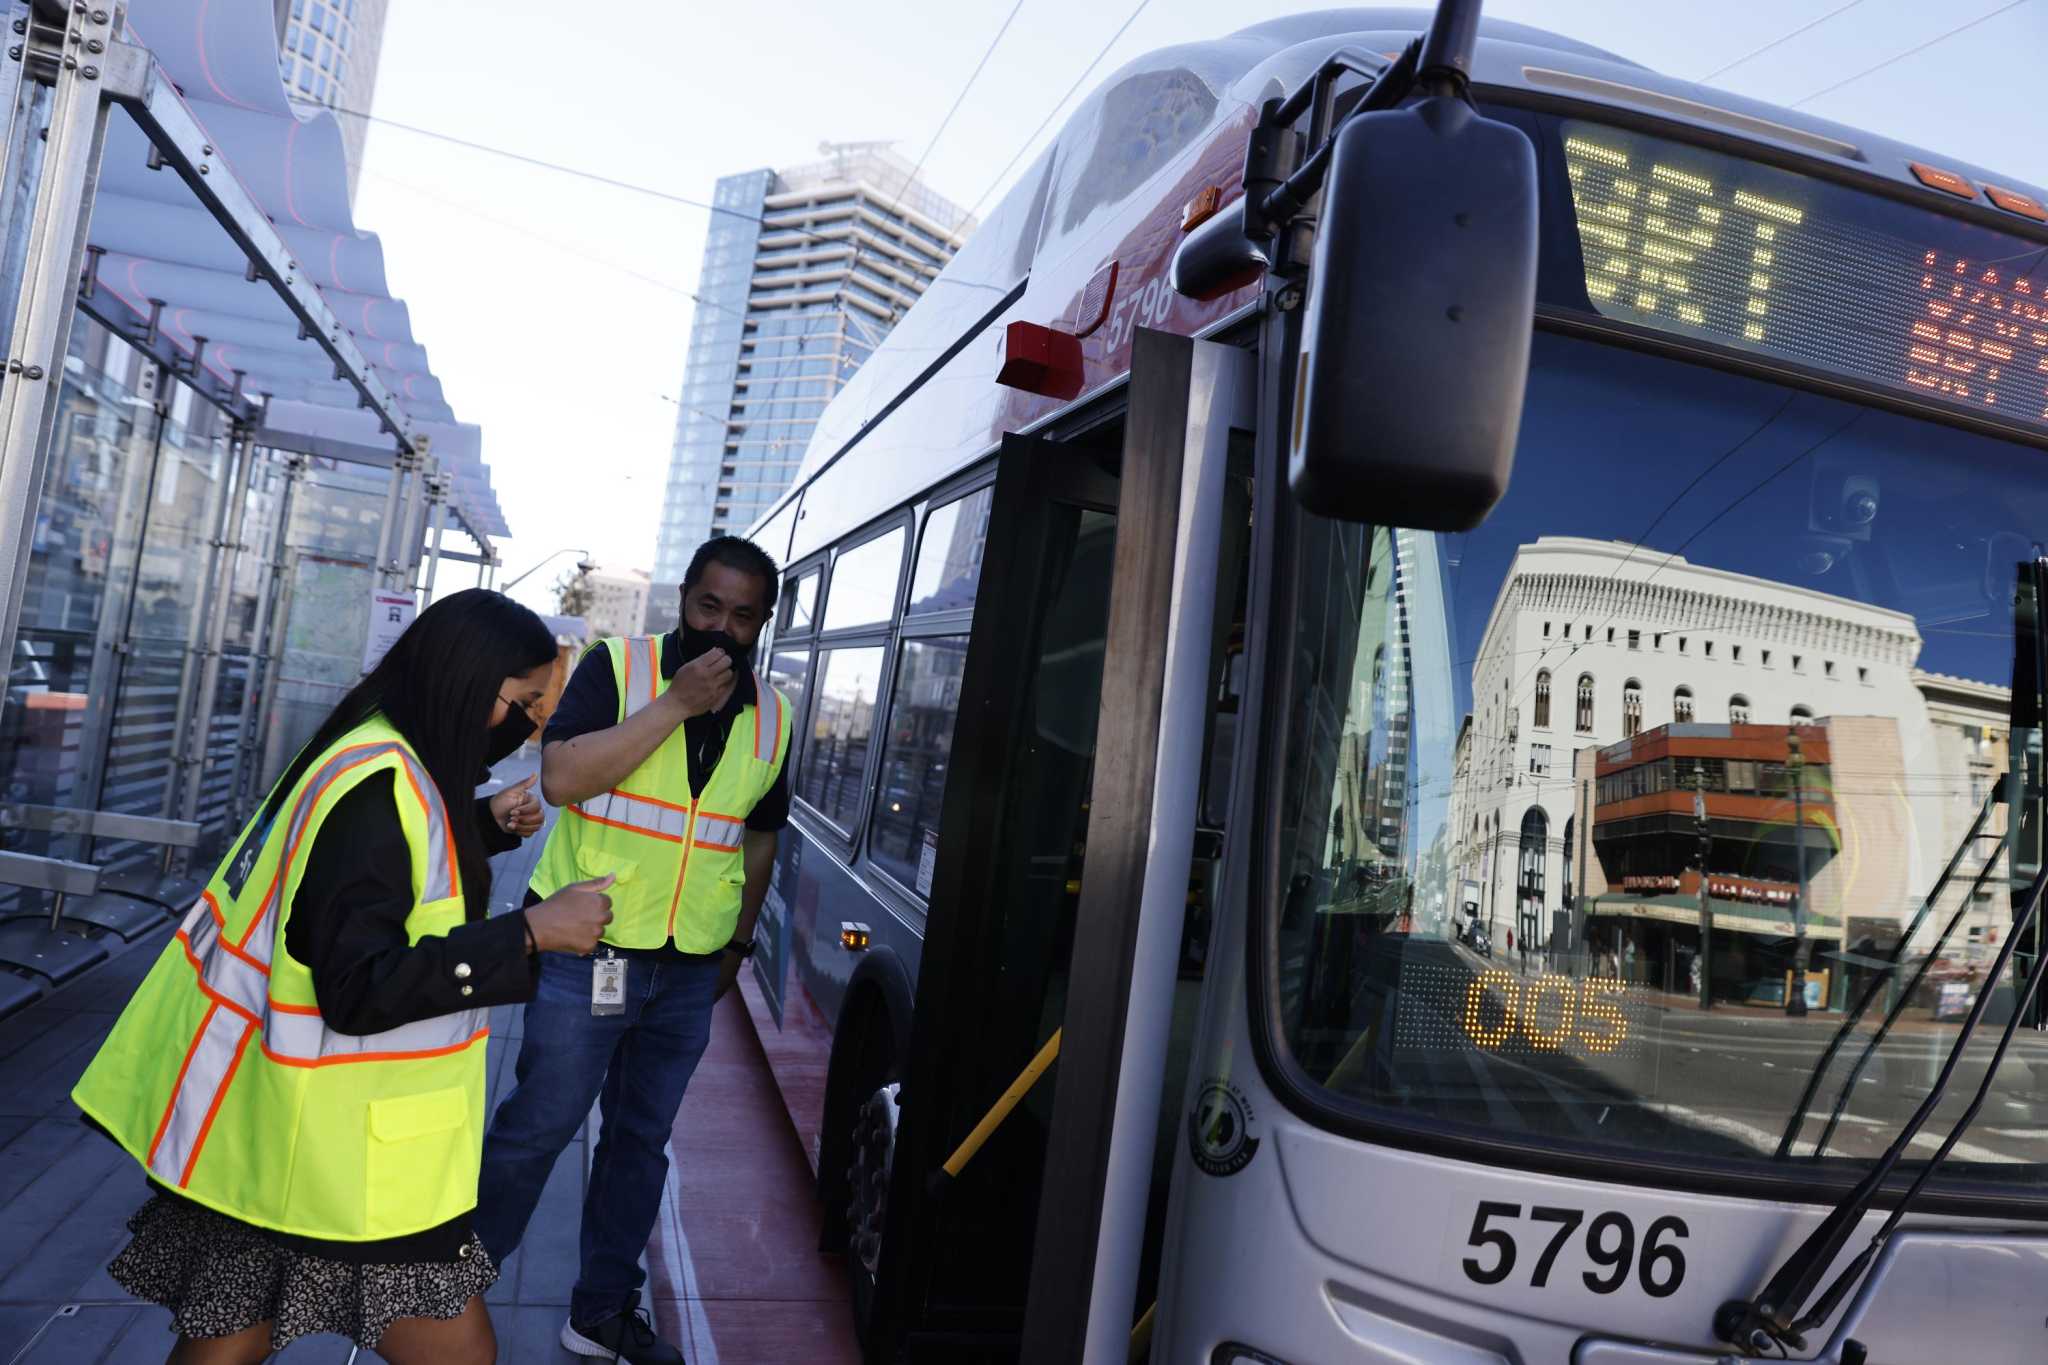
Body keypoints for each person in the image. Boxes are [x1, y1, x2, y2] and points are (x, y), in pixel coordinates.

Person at [71, 589, 618, 1365]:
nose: (529, 723)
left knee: (228, 1342)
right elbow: (359, 985)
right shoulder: (379, 781)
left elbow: (377, 888)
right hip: (345, 1159)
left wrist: (483, 827)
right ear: (466, 681)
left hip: (275, 1136)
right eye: (522, 702)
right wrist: (529, 933)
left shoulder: (376, 751)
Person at [474, 536, 792, 1364]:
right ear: (683, 599)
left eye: (743, 615)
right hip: (593, 949)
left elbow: (758, 839)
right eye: (708, 606)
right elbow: (562, 779)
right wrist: (675, 705)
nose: (722, 627)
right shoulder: (622, 669)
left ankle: (602, 1308)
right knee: (540, 1123)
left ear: (765, 622)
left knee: (639, 1140)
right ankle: (449, 1295)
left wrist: (739, 942)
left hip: (690, 967)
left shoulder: (775, 715)